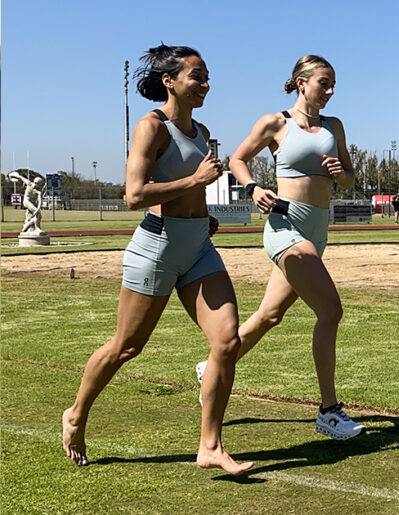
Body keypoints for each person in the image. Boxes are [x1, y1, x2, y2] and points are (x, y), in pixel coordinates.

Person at [62, 44, 253, 475]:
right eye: (197, 76)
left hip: (198, 247)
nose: (206, 84)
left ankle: (210, 446)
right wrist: (196, 179)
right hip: (157, 247)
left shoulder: (201, 130)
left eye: (207, 77)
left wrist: (205, 217)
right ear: (170, 81)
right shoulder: (152, 126)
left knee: (227, 341)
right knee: (126, 346)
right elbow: (134, 195)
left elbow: (194, 195)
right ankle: (75, 414)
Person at [195, 55, 364, 440]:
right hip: (285, 227)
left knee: (270, 316)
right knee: (331, 311)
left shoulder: (334, 126)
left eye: (333, 84)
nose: (331, 91)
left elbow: (350, 182)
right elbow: (237, 160)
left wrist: (342, 174)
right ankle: (328, 412)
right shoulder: (276, 123)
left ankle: (214, 367)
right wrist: (253, 187)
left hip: (318, 230)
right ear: (301, 83)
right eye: (324, 83)